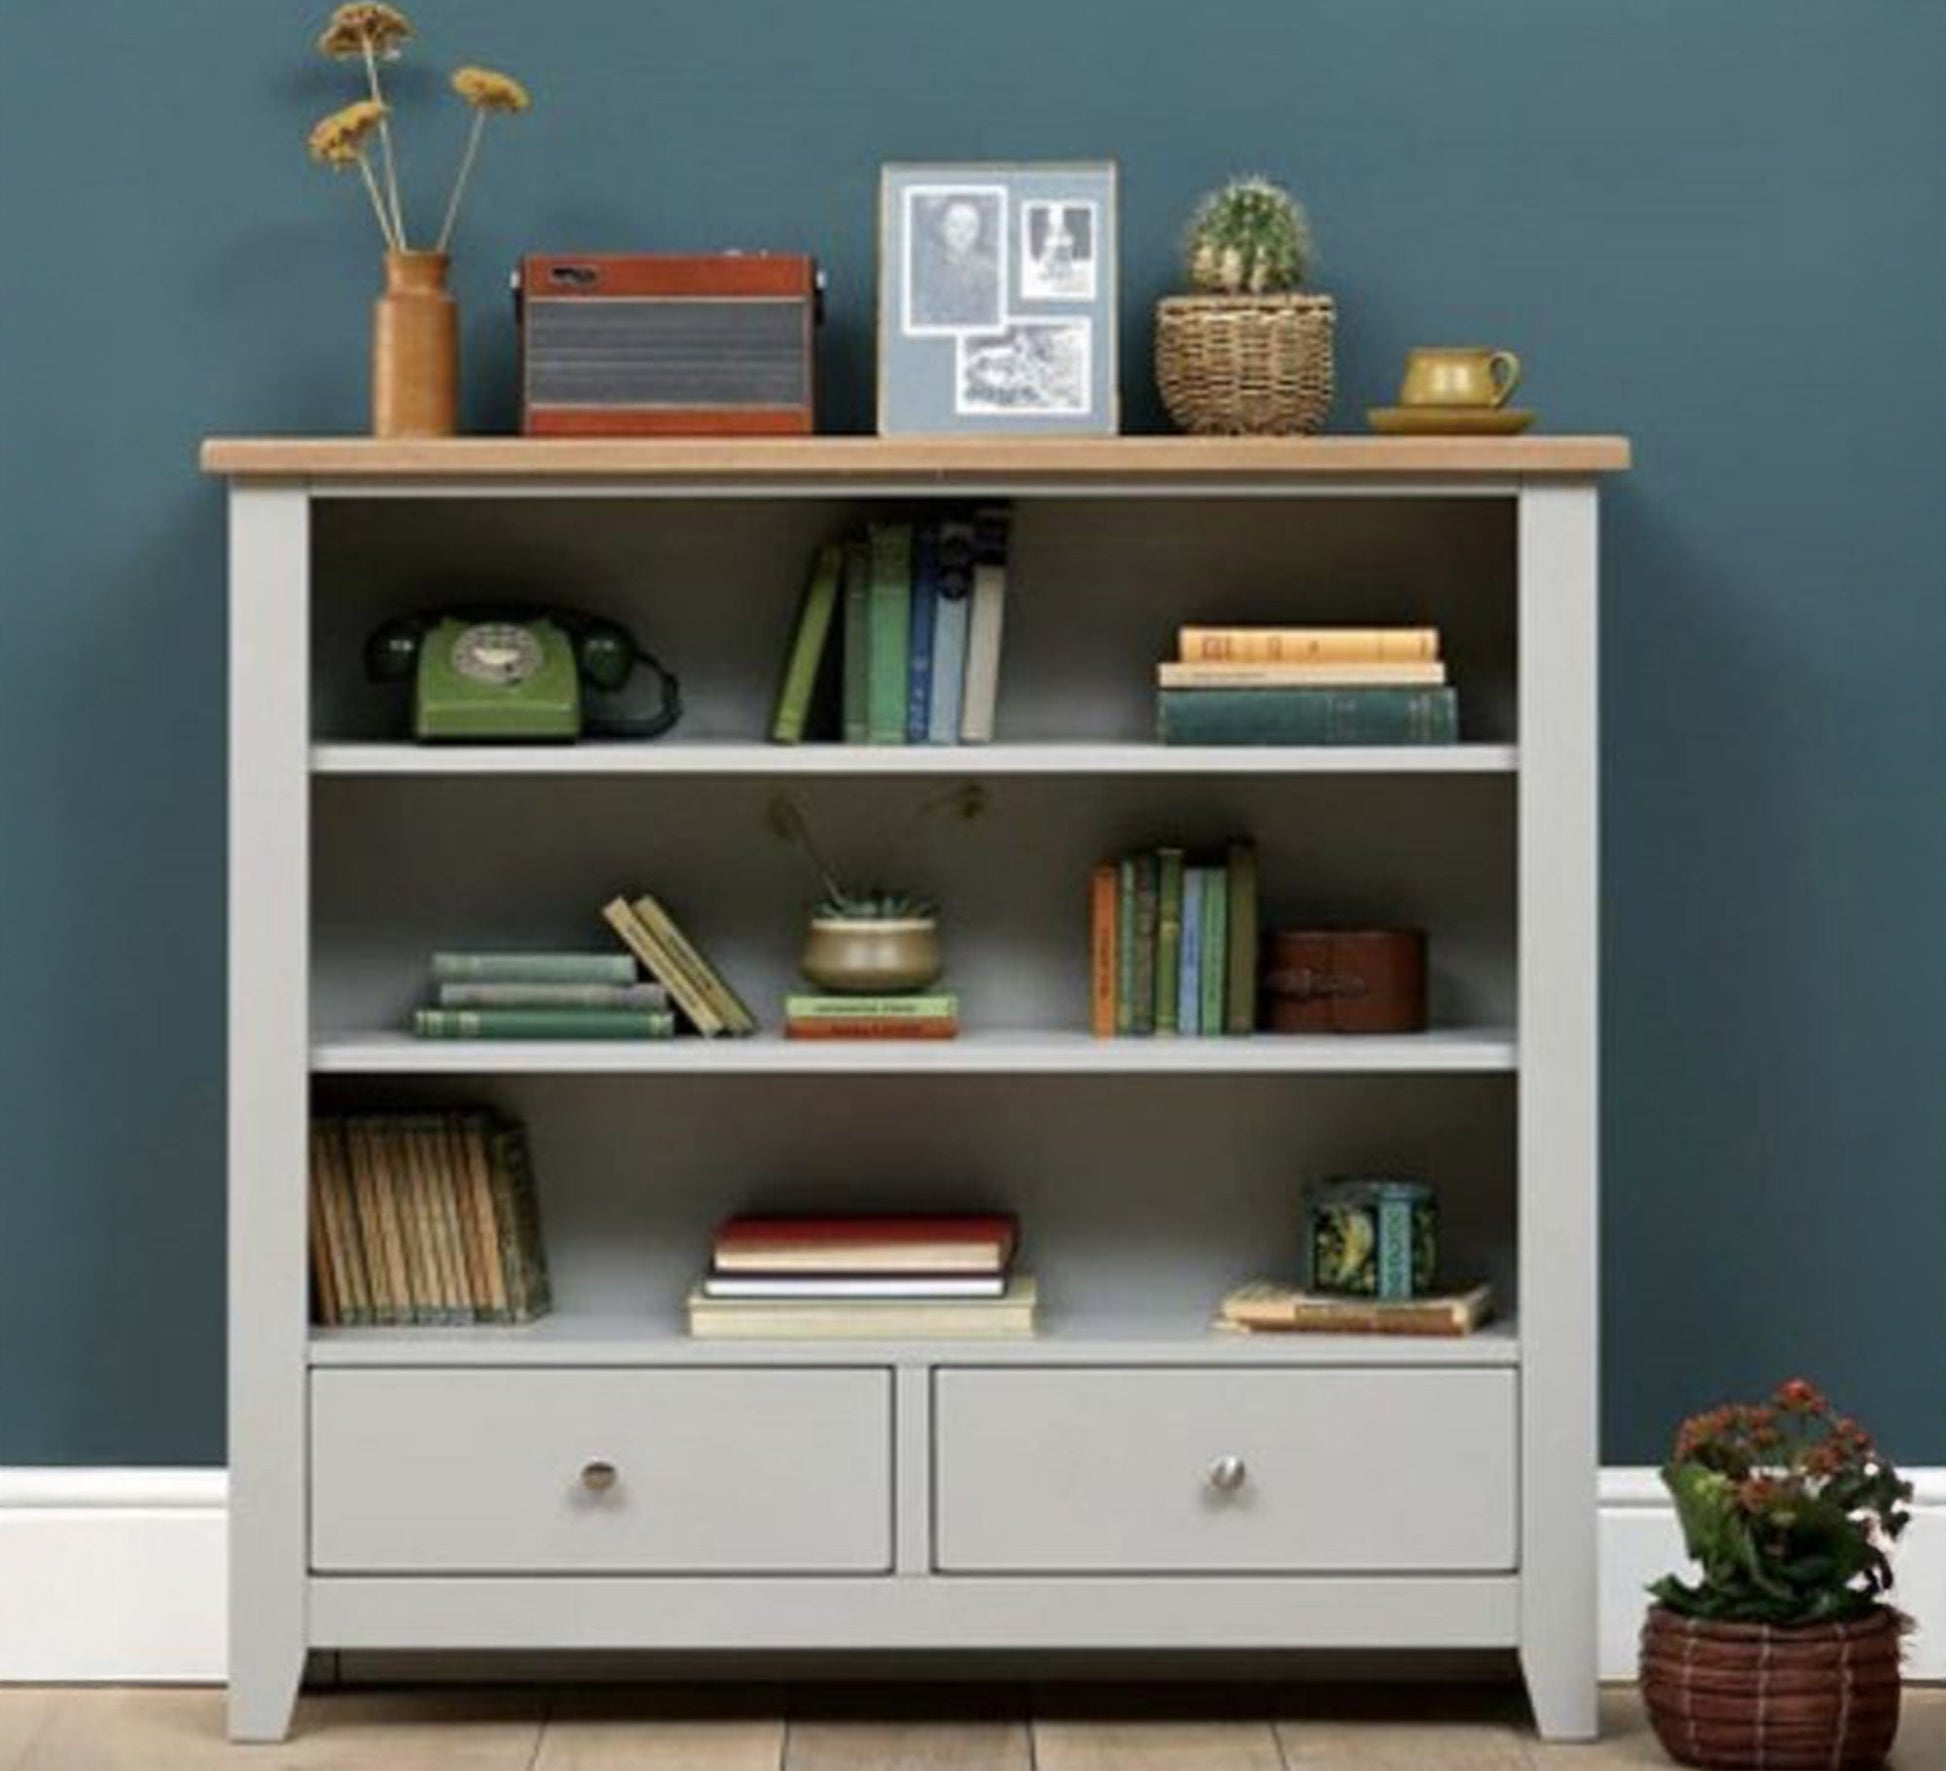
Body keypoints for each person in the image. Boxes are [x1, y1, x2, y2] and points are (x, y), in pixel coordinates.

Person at [911, 194, 999, 329]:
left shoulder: (989, 272)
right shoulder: (926, 269)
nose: (961, 233)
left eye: (970, 227)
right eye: (954, 225)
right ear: (941, 227)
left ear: (980, 231)